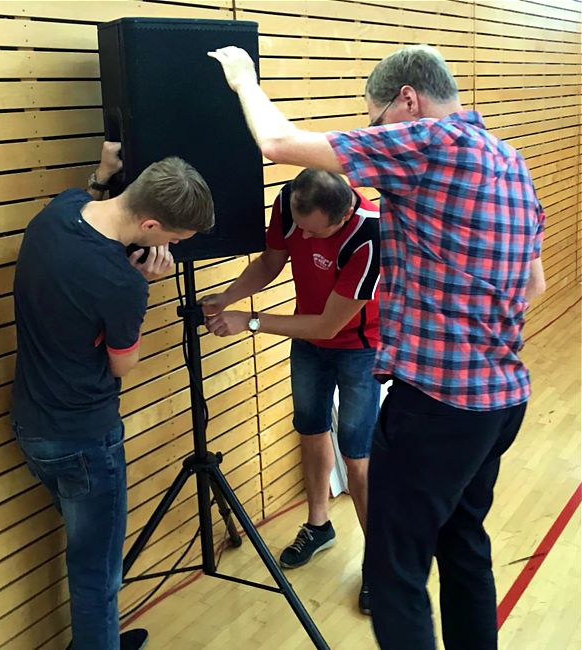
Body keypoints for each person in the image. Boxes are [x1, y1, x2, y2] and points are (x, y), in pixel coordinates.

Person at [208, 44, 547, 649]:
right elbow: (534, 284)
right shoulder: (510, 161)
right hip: (502, 398)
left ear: (408, 102)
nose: (374, 132)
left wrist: (242, 79)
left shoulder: (428, 143)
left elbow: (278, 145)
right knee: (464, 545)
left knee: (395, 573)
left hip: (438, 405)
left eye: (374, 118)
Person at [11, 141, 214, 650]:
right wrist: (141, 285)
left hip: (31, 423)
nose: (174, 246)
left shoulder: (55, 213)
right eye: (175, 238)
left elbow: (87, 197)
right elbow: (123, 364)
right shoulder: (123, 282)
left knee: (90, 553)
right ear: (150, 229)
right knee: (97, 575)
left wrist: (101, 175)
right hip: (84, 439)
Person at [202, 167, 381, 614]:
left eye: (311, 230)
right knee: (311, 430)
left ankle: (381, 562)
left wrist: (252, 321)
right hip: (309, 343)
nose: (301, 234)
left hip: (359, 347)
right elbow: (269, 263)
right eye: (298, 225)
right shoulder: (290, 201)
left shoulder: (371, 236)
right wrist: (227, 297)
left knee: (357, 459)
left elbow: (328, 323)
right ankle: (319, 526)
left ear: (340, 217)